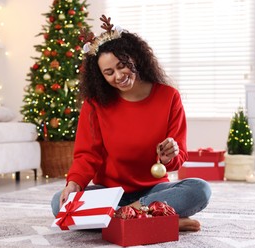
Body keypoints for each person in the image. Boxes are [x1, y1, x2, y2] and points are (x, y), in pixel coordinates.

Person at [51, 15, 211, 231]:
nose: (119, 75)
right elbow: (87, 155)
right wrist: (74, 184)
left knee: (199, 189)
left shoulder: (169, 96)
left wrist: (169, 156)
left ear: (134, 57)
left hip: (154, 192)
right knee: (57, 204)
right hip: (109, 194)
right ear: (101, 76)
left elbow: (179, 154)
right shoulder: (95, 104)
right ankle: (157, 219)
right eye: (109, 72)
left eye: (122, 65)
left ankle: (122, 218)